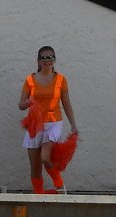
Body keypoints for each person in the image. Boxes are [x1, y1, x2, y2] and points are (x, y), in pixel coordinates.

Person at [18, 46, 78, 194]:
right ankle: (39, 195)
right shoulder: (30, 79)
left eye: (50, 57)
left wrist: (73, 125)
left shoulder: (61, 79)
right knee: (35, 165)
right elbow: (20, 104)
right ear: (38, 61)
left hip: (53, 122)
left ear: (54, 60)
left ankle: (59, 185)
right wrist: (25, 104)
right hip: (34, 124)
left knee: (45, 157)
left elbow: (66, 102)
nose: (47, 60)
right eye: (44, 57)